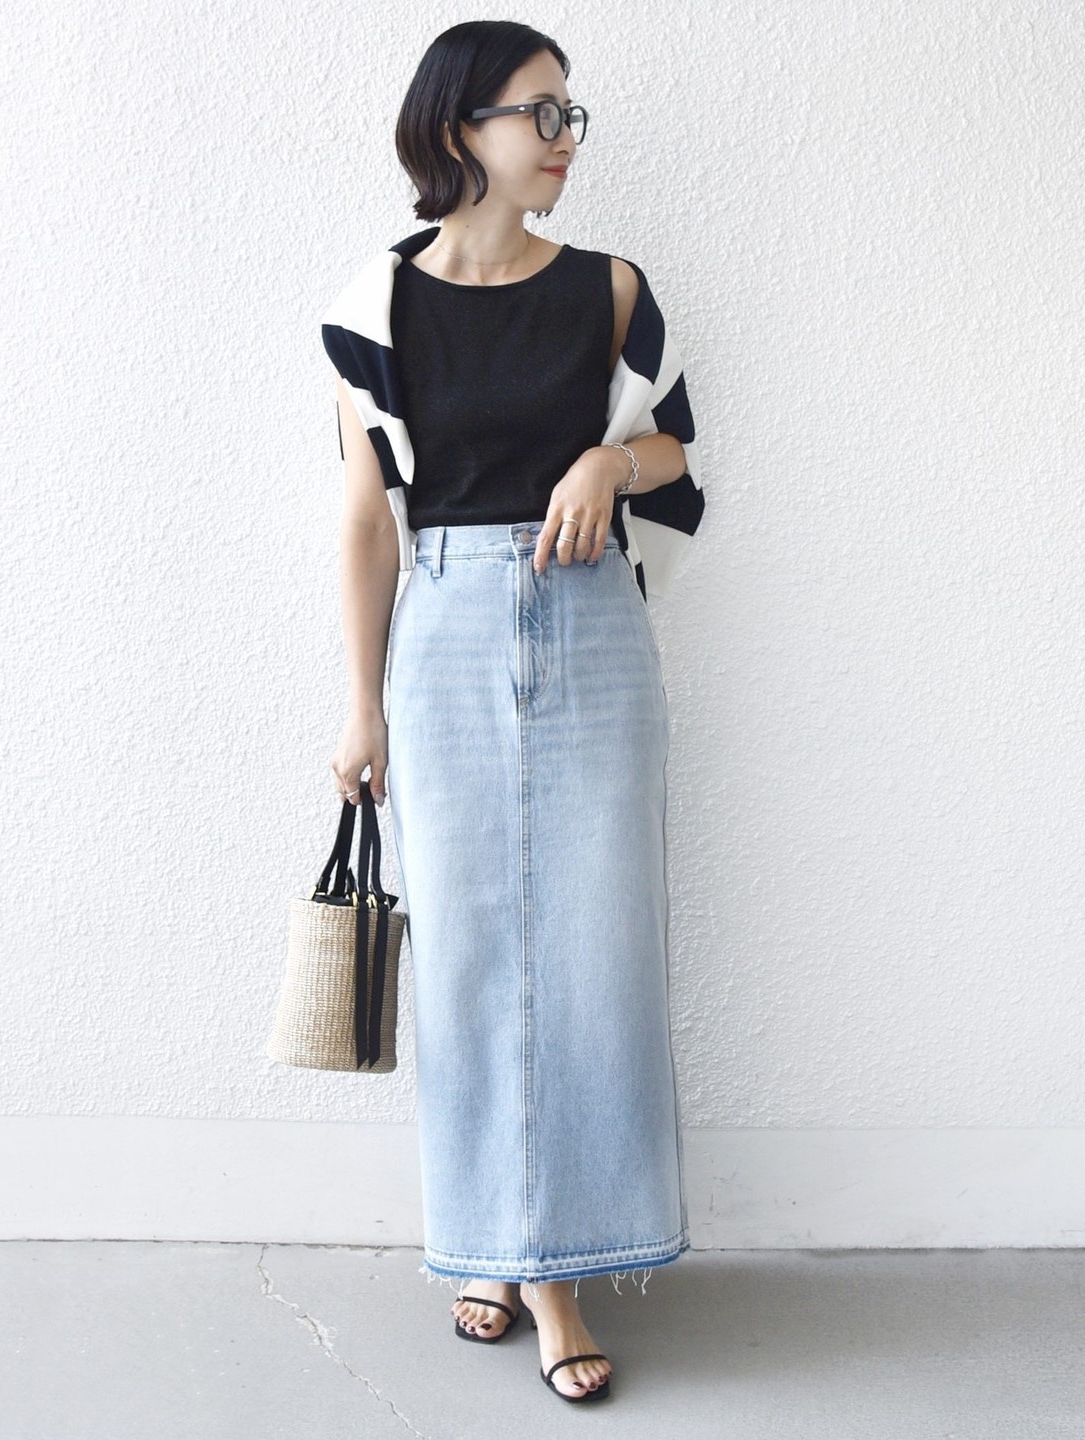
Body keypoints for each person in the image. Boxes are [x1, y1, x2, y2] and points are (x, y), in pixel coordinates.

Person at [322, 20, 704, 1405]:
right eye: (539, 114)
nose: (564, 140)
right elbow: (367, 518)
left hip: (592, 627)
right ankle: (496, 1245)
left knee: (597, 950)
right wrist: (358, 708)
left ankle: (551, 1272)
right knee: (471, 954)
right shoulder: (375, 306)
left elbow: (678, 454)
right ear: (457, 129)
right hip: (445, 633)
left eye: (569, 115)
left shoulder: (611, 290)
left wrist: (608, 459)